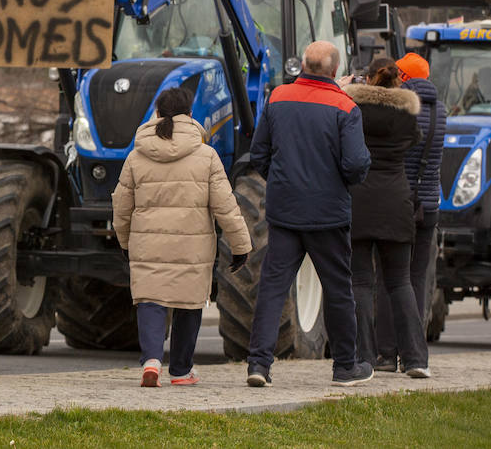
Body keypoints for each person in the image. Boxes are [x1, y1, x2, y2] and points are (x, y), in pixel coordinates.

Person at [244, 40, 372, 387]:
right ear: (334, 71)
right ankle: (345, 366)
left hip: (284, 211)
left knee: (272, 288)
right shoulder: (345, 107)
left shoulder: (278, 98)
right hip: (328, 213)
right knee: (338, 289)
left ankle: (258, 365)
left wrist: (282, 182)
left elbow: (259, 155)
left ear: (302, 64)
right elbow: (356, 163)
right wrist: (340, 184)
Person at [112, 86, 251, 387]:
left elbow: (121, 207)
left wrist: (124, 242)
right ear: (190, 115)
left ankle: (151, 360)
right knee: (188, 303)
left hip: (148, 242)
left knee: (150, 298)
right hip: (193, 245)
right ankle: (180, 370)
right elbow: (226, 205)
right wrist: (241, 246)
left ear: (157, 114)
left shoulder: (136, 156)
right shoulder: (207, 156)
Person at [343, 58, 432, 378]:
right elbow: (416, 141)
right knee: (400, 282)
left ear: (367, 79)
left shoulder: (354, 112)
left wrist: (348, 86)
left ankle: (365, 358)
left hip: (360, 202)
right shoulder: (407, 117)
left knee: (361, 283)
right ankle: (416, 359)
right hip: (397, 201)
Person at [373, 52, 444, 372]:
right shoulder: (439, 109)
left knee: (390, 279)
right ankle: (413, 352)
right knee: (415, 280)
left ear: (404, 76)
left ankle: (387, 353)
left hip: (401, 204)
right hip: (430, 204)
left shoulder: (404, 109)